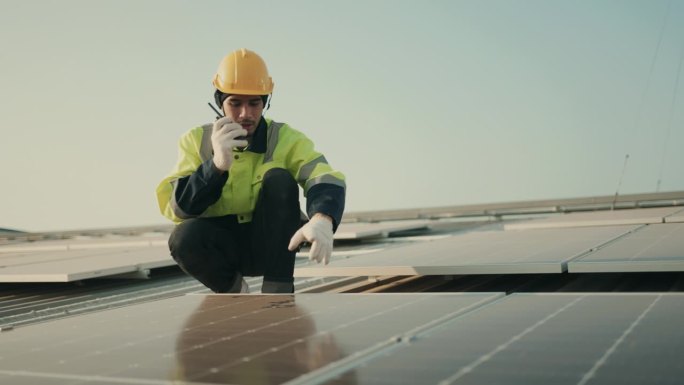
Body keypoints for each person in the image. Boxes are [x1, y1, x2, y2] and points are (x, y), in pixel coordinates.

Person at [156, 48, 346, 294]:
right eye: (235, 103)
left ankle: (278, 295)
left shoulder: (284, 138)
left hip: (273, 244)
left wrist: (322, 218)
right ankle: (235, 291)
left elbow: (323, 175)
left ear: (265, 102)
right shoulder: (196, 141)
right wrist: (215, 168)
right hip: (223, 250)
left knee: (279, 179)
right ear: (220, 103)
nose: (246, 114)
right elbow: (179, 209)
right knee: (183, 237)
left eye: (254, 103)